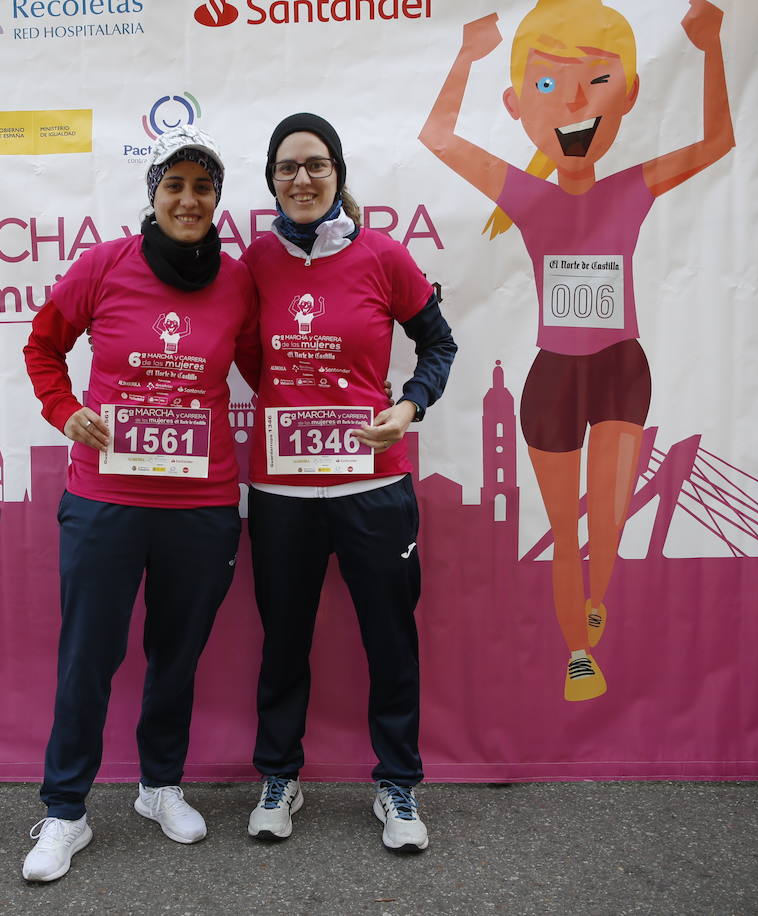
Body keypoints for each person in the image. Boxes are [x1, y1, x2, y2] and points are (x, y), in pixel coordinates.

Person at [418, 0, 733, 701]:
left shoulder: (632, 187)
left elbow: (716, 141)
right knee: (567, 531)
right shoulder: (526, 198)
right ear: (518, 103)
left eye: (594, 82)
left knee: (610, 525)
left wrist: (709, 49)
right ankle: (580, 652)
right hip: (554, 379)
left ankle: (597, 596)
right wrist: (466, 56)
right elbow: (437, 135)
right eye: (547, 86)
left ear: (627, 95)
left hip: (622, 368)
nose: (572, 105)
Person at [20, 125, 259, 882]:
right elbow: (42, 345)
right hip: (107, 498)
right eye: (175, 186)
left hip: (203, 502)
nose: (189, 200)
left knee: (176, 655)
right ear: (152, 196)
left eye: (203, 188)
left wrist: (353, 403)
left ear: (217, 200)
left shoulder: (240, 278)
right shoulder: (104, 265)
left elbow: (274, 360)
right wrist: (65, 411)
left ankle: (159, 788)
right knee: (89, 654)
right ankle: (64, 813)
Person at [242, 113, 457, 852]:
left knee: (390, 641)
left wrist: (407, 406)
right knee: (283, 642)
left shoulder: (383, 256)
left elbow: (438, 343)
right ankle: (280, 776)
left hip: (375, 488)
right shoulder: (254, 262)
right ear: (271, 179)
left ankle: (397, 786)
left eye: (316, 164)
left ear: (337, 174)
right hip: (282, 493)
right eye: (286, 167)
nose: (301, 179)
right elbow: (246, 357)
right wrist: (291, 408)